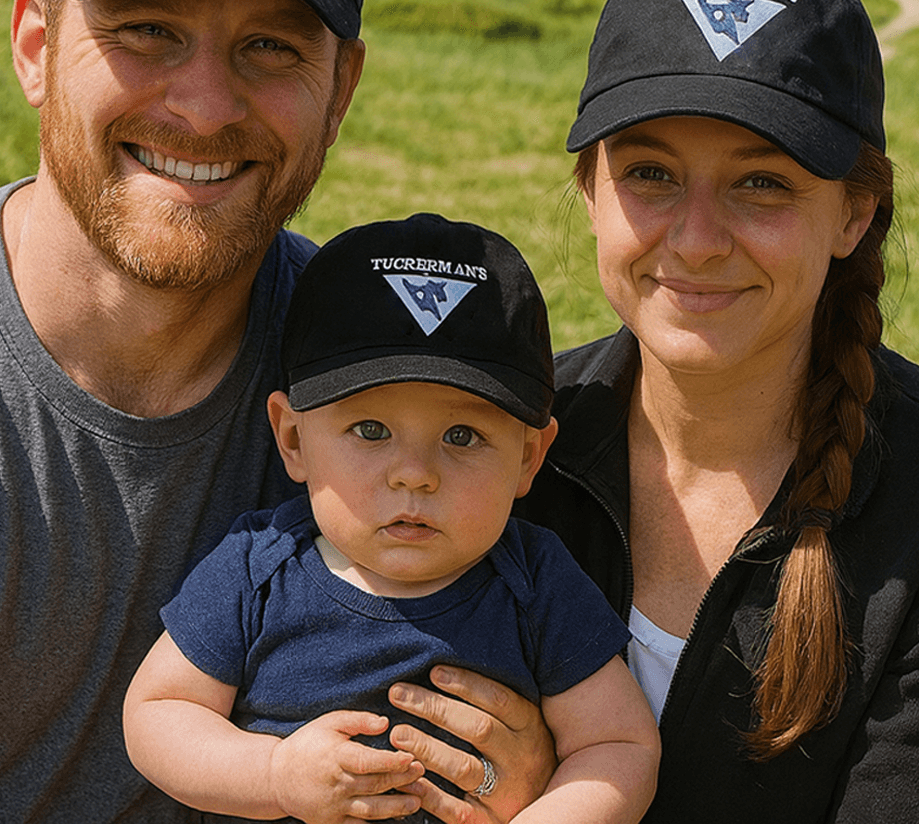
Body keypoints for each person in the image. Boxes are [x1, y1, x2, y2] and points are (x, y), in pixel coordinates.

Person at [0, 0, 550, 823]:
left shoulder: (394, 375)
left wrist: (520, 764)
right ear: (33, 46)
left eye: (272, 49)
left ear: (341, 92)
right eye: (146, 30)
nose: (203, 106)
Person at [516, 0, 919, 822]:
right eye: (650, 174)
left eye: (762, 183)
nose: (696, 240)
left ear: (853, 215)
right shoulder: (498, 446)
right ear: (590, 190)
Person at [123, 213, 660, 824]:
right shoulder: (258, 568)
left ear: (528, 458)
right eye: (370, 430)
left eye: (462, 435)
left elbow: (619, 746)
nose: (414, 473)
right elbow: (157, 710)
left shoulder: (535, 584)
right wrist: (272, 775)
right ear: (293, 439)